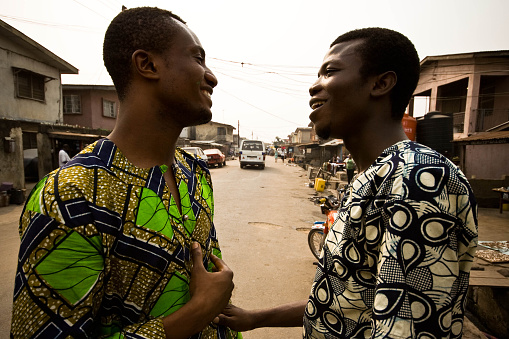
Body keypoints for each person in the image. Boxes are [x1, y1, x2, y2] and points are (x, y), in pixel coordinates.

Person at [216, 27, 478, 338]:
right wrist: (254, 318)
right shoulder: (375, 177)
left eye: (330, 71)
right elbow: (347, 301)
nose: (314, 86)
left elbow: (407, 328)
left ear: (380, 84)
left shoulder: (418, 179)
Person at [11, 7, 240, 339]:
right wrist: (198, 312)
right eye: (197, 58)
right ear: (147, 65)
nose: (211, 76)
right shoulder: (70, 195)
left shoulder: (195, 174)